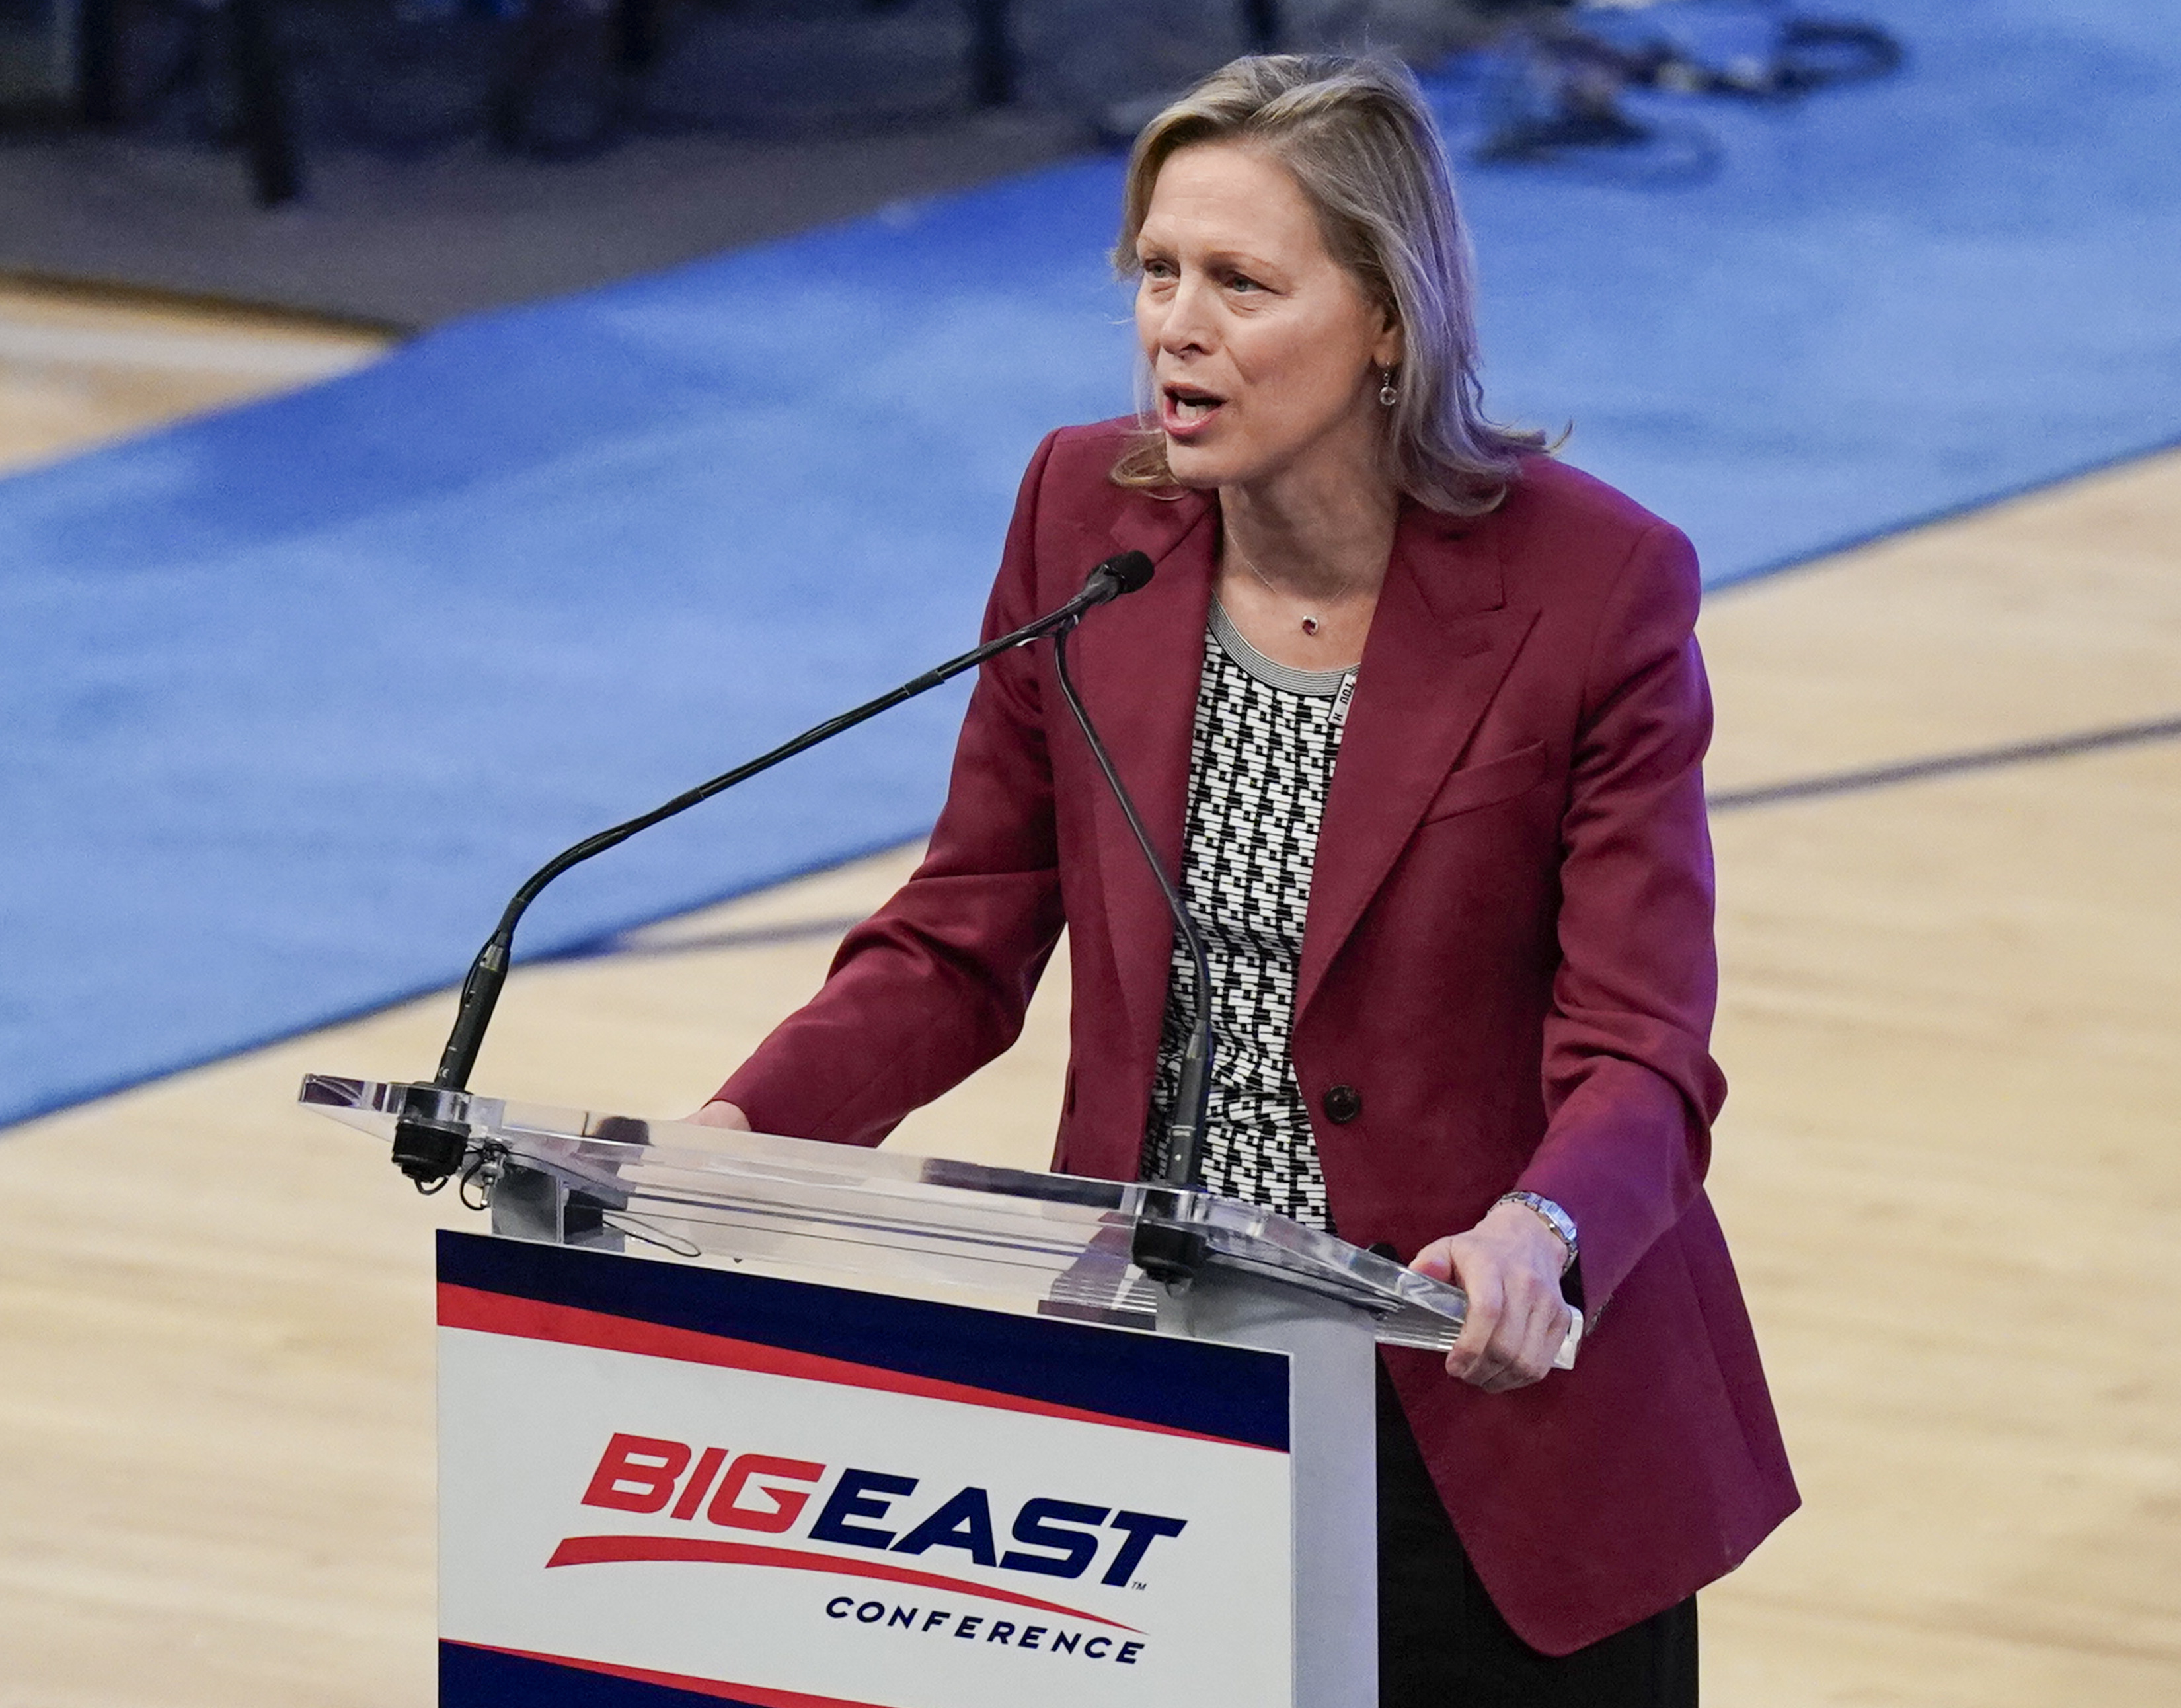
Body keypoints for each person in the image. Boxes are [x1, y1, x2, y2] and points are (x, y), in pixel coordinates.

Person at [693, 52, 1796, 1707]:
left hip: (1483, 1415)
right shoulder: (1085, 515)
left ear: (1389, 325)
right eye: (1156, 270)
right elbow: (961, 930)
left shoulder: (1597, 587)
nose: (1174, 326)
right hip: (1162, 1402)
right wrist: (739, 1140)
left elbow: (1643, 1042)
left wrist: (1539, 1230)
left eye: (1241, 282)